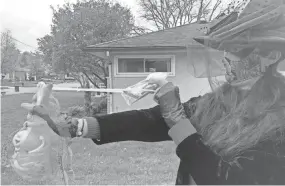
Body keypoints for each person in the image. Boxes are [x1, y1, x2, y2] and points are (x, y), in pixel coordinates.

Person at [26, 0, 285, 184]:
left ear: (272, 55)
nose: (227, 58)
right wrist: (76, 125)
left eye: (239, 48)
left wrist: (178, 122)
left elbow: (228, 180)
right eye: (226, 48)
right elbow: (150, 121)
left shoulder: (279, 124)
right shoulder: (227, 98)